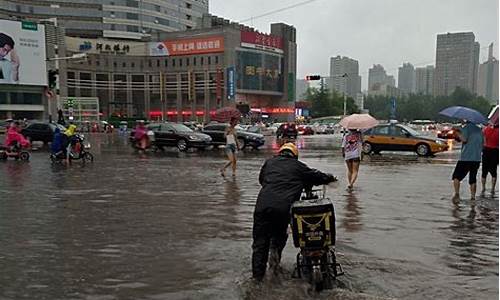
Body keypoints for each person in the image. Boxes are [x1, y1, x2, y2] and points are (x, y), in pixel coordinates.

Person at [252, 143, 337, 282]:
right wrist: (331, 178)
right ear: (294, 155)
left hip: (262, 208)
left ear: (280, 153)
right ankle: (274, 266)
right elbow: (317, 176)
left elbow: (262, 180)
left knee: (259, 244)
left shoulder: (269, 163)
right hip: (283, 209)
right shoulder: (298, 166)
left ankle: (257, 280)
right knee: (278, 238)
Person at [452, 120, 484, 200]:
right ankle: (473, 197)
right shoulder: (480, 130)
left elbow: (464, 140)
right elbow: (483, 144)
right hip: (476, 158)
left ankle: (457, 194)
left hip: (465, 158)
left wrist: (458, 132)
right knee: (473, 178)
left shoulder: (465, 128)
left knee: (456, 177)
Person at [481, 122, 499, 196]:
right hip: (495, 151)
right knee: (494, 170)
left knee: (484, 170)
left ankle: (483, 187)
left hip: (486, 150)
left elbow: (483, 139)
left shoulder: (486, 129)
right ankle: (492, 188)